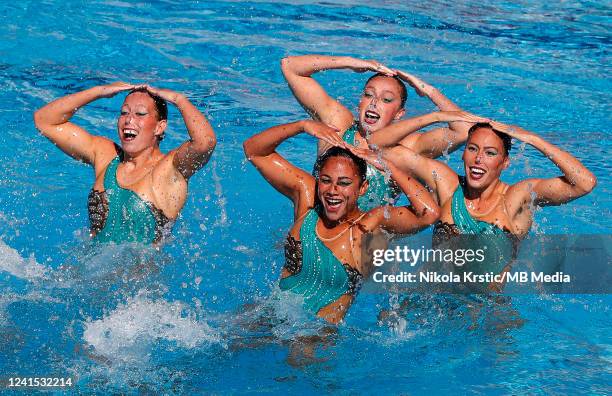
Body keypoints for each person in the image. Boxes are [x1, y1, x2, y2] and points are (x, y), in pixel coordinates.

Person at [243, 120, 440, 324]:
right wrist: (301, 126)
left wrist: (388, 166)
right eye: (326, 180)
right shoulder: (309, 201)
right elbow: (254, 150)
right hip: (268, 315)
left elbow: (429, 214)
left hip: (315, 337)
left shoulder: (371, 225)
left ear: (362, 188)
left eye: (344, 183)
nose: (333, 190)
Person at [382, 120, 597, 288]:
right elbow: (384, 150)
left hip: (485, 315)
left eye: (490, 153)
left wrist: (533, 140)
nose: (478, 159)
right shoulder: (448, 187)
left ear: (504, 163)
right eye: (472, 149)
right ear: (463, 153)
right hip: (429, 304)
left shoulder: (516, 198)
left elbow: (584, 183)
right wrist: (440, 116)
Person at [281, 55, 480, 209]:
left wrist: (429, 91)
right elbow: (290, 66)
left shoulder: (407, 147)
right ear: (360, 102)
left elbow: (464, 131)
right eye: (369, 95)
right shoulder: (339, 126)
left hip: (363, 248)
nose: (374, 103)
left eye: (386, 100)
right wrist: (352, 63)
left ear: (399, 113)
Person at [34, 82, 216, 244]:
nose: (129, 119)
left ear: (160, 127)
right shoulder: (106, 156)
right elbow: (44, 120)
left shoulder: (170, 169)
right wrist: (98, 91)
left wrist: (179, 99)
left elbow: (205, 142)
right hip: (85, 274)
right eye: (124, 113)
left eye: (140, 114)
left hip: (139, 280)